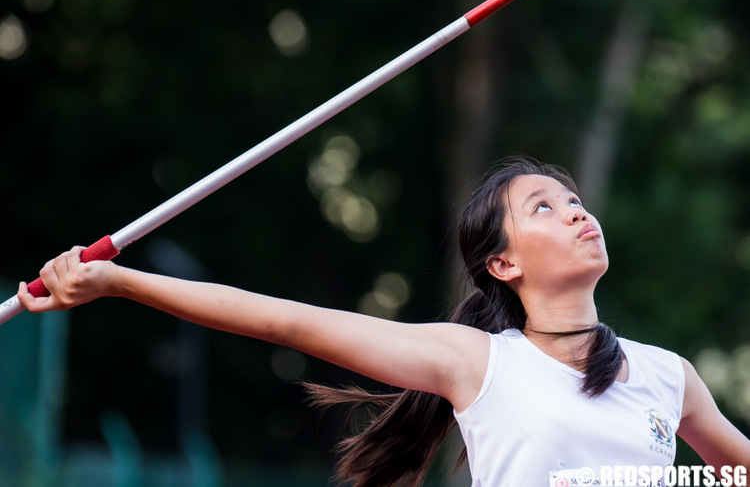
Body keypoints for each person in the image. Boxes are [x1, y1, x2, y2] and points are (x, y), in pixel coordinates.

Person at [18, 156, 750, 486]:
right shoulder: (477, 362)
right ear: (502, 264)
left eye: (574, 201)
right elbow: (287, 323)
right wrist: (117, 281)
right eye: (545, 208)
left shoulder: (668, 377)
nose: (577, 212)